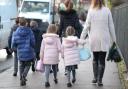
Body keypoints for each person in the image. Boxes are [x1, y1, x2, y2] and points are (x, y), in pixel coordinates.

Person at [80, 0, 116, 86]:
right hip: (104, 38)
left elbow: (86, 26)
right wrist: (114, 40)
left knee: (95, 58)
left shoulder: (91, 10)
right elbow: (111, 25)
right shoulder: (107, 10)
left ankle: (95, 77)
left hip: (94, 38)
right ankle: (100, 80)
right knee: (102, 59)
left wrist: (81, 38)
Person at [11, 17, 35, 86]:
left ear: (19, 24)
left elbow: (13, 44)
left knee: (21, 65)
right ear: (26, 23)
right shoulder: (29, 31)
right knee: (28, 65)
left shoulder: (16, 32)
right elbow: (33, 42)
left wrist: (15, 49)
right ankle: (23, 76)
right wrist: (33, 47)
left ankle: (22, 80)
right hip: (28, 52)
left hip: (20, 52)